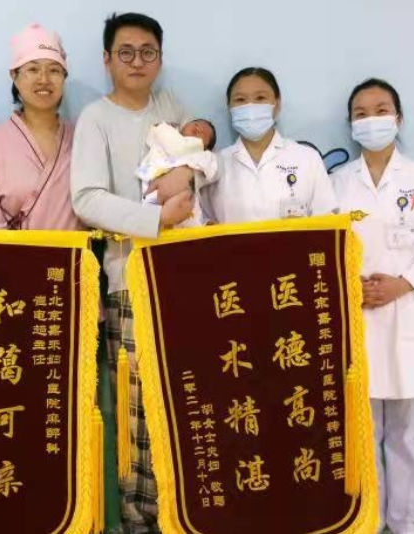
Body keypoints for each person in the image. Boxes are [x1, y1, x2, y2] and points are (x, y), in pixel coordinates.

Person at [71, 12, 214, 534]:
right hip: (128, 278)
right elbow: (87, 198)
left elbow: (205, 160)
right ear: (107, 59)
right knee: (135, 411)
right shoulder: (95, 118)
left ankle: (182, 517)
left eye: (148, 52)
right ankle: (138, 520)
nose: (137, 62)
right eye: (126, 52)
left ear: (160, 58)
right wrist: (157, 219)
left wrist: (187, 176)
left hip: (183, 278)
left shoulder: (172, 108)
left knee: (184, 403)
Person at [332, 78, 414, 534]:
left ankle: (406, 524)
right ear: (351, 124)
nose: (372, 119)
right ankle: (368, 522)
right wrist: (350, 286)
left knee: (406, 435)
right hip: (358, 317)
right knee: (363, 433)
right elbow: (323, 244)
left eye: (381, 110)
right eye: (361, 113)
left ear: (399, 118)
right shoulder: (337, 183)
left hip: (409, 315)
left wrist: (405, 283)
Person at [0, 23, 83, 230]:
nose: (44, 79)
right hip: (12, 251)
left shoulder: (83, 137)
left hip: (77, 251)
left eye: (54, 70)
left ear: (64, 77)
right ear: (14, 76)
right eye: (33, 69)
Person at [203, 67, 337, 223]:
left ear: (277, 104)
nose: (250, 106)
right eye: (240, 100)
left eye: (260, 98)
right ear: (229, 107)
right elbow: (203, 224)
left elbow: (327, 221)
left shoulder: (307, 158)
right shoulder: (214, 165)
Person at [137, 119, 217, 228]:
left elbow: (211, 165)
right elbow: (160, 139)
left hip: (184, 190)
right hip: (157, 178)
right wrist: (161, 127)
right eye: (196, 124)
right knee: (151, 205)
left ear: (204, 148)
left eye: (202, 134)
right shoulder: (168, 132)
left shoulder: (200, 154)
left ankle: (200, 225)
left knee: (192, 206)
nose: (198, 129)